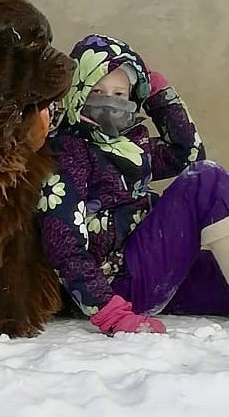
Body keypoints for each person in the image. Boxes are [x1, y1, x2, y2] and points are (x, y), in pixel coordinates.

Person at [37, 33, 229, 334]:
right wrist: (110, 312)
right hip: (116, 286)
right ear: (76, 93)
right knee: (206, 179)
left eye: (120, 94)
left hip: (151, 272)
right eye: (96, 91)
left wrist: (158, 94)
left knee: (219, 281)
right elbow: (63, 243)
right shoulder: (68, 151)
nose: (109, 103)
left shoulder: (130, 146)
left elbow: (186, 153)